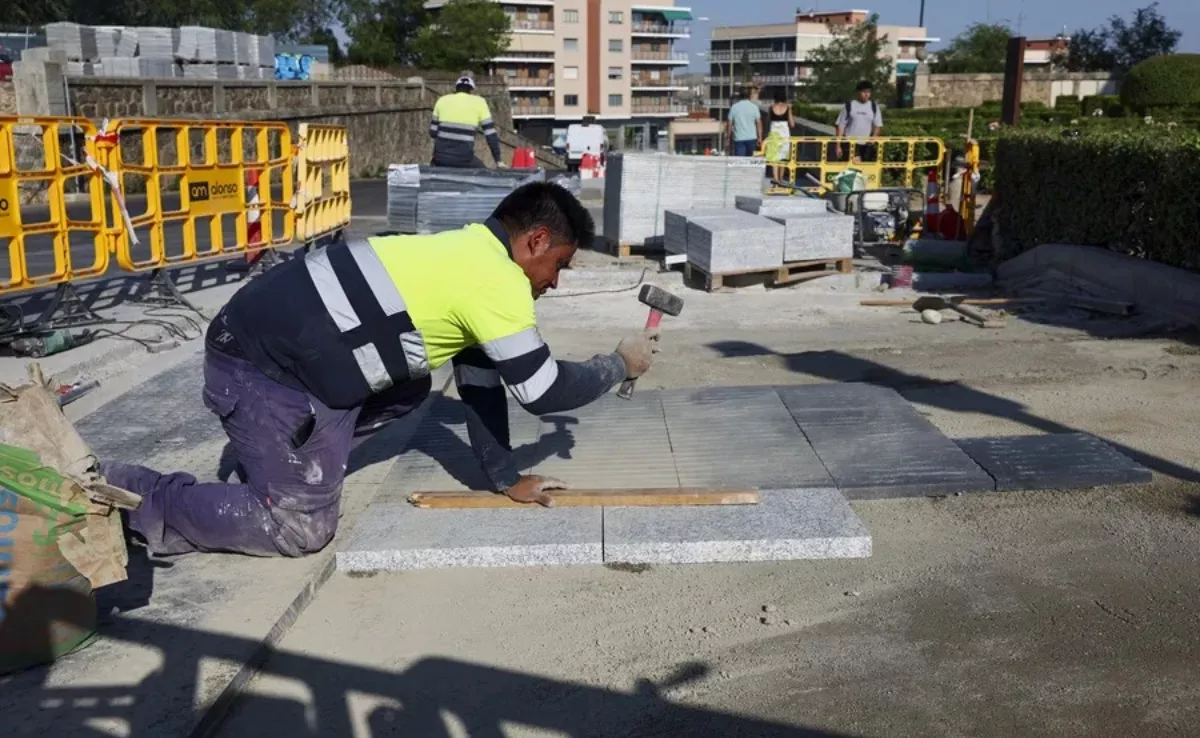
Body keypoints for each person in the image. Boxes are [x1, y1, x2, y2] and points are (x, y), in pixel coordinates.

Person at [101, 183, 661, 558]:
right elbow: (541, 390)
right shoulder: (497, 282)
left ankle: (291, 463)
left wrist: (504, 478)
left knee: (412, 383)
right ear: (536, 240)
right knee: (299, 529)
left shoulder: (466, 250)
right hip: (253, 369)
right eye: (558, 264)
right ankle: (132, 493)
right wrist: (617, 364)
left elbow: (481, 375)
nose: (555, 282)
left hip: (282, 357)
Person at [430, 73, 505, 168]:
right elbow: (491, 135)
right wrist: (498, 160)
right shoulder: (480, 102)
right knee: (484, 172)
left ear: (456, 88)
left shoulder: (441, 100)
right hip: (464, 159)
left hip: (440, 158)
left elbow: (432, 133)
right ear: (471, 90)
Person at [835, 80, 884, 163]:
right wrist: (838, 146)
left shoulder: (874, 107)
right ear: (858, 92)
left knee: (862, 168)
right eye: (864, 92)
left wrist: (873, 138)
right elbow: (840, 126)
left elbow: (878, 125)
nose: (866, 94)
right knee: (856, 165)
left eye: (868, 92)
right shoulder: (849, 106)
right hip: (850, 143)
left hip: (866, 144)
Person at [763, 92, 795, 183]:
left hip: (774, 133)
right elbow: (792, 124)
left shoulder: (771, 108)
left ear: (775, 98)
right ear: (785, 98)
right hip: (784, 134)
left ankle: (775, 178)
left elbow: (768, 121)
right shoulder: (788, 108)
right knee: (783, 156)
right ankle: (781, 178)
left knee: (774, 157)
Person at [727, 90, 763, 157]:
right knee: (751, 160)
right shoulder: (754, 107)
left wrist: (728, 139)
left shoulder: (734, 107)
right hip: (752, 138)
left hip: (739, 138)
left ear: (739, 97)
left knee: (740, 161)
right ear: (749, 96)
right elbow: (758, 123)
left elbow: (729, 124)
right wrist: (760, 138)